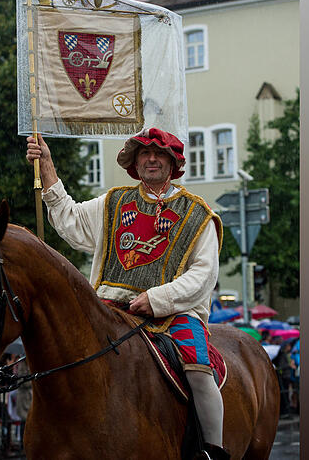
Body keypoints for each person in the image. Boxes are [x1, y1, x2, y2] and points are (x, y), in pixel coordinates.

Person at [26, 127, 228, 459]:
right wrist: (46, 165)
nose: (152, 159)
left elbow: (203, 276)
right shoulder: (114, 202)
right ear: (135, 162)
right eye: (145, 153)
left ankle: (212, 452)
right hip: (109, 306)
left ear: (173, 162)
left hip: (174, 314)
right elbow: (70, 220)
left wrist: (157, 299)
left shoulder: (198, 214)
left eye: (159, 154)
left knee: (199, 370)